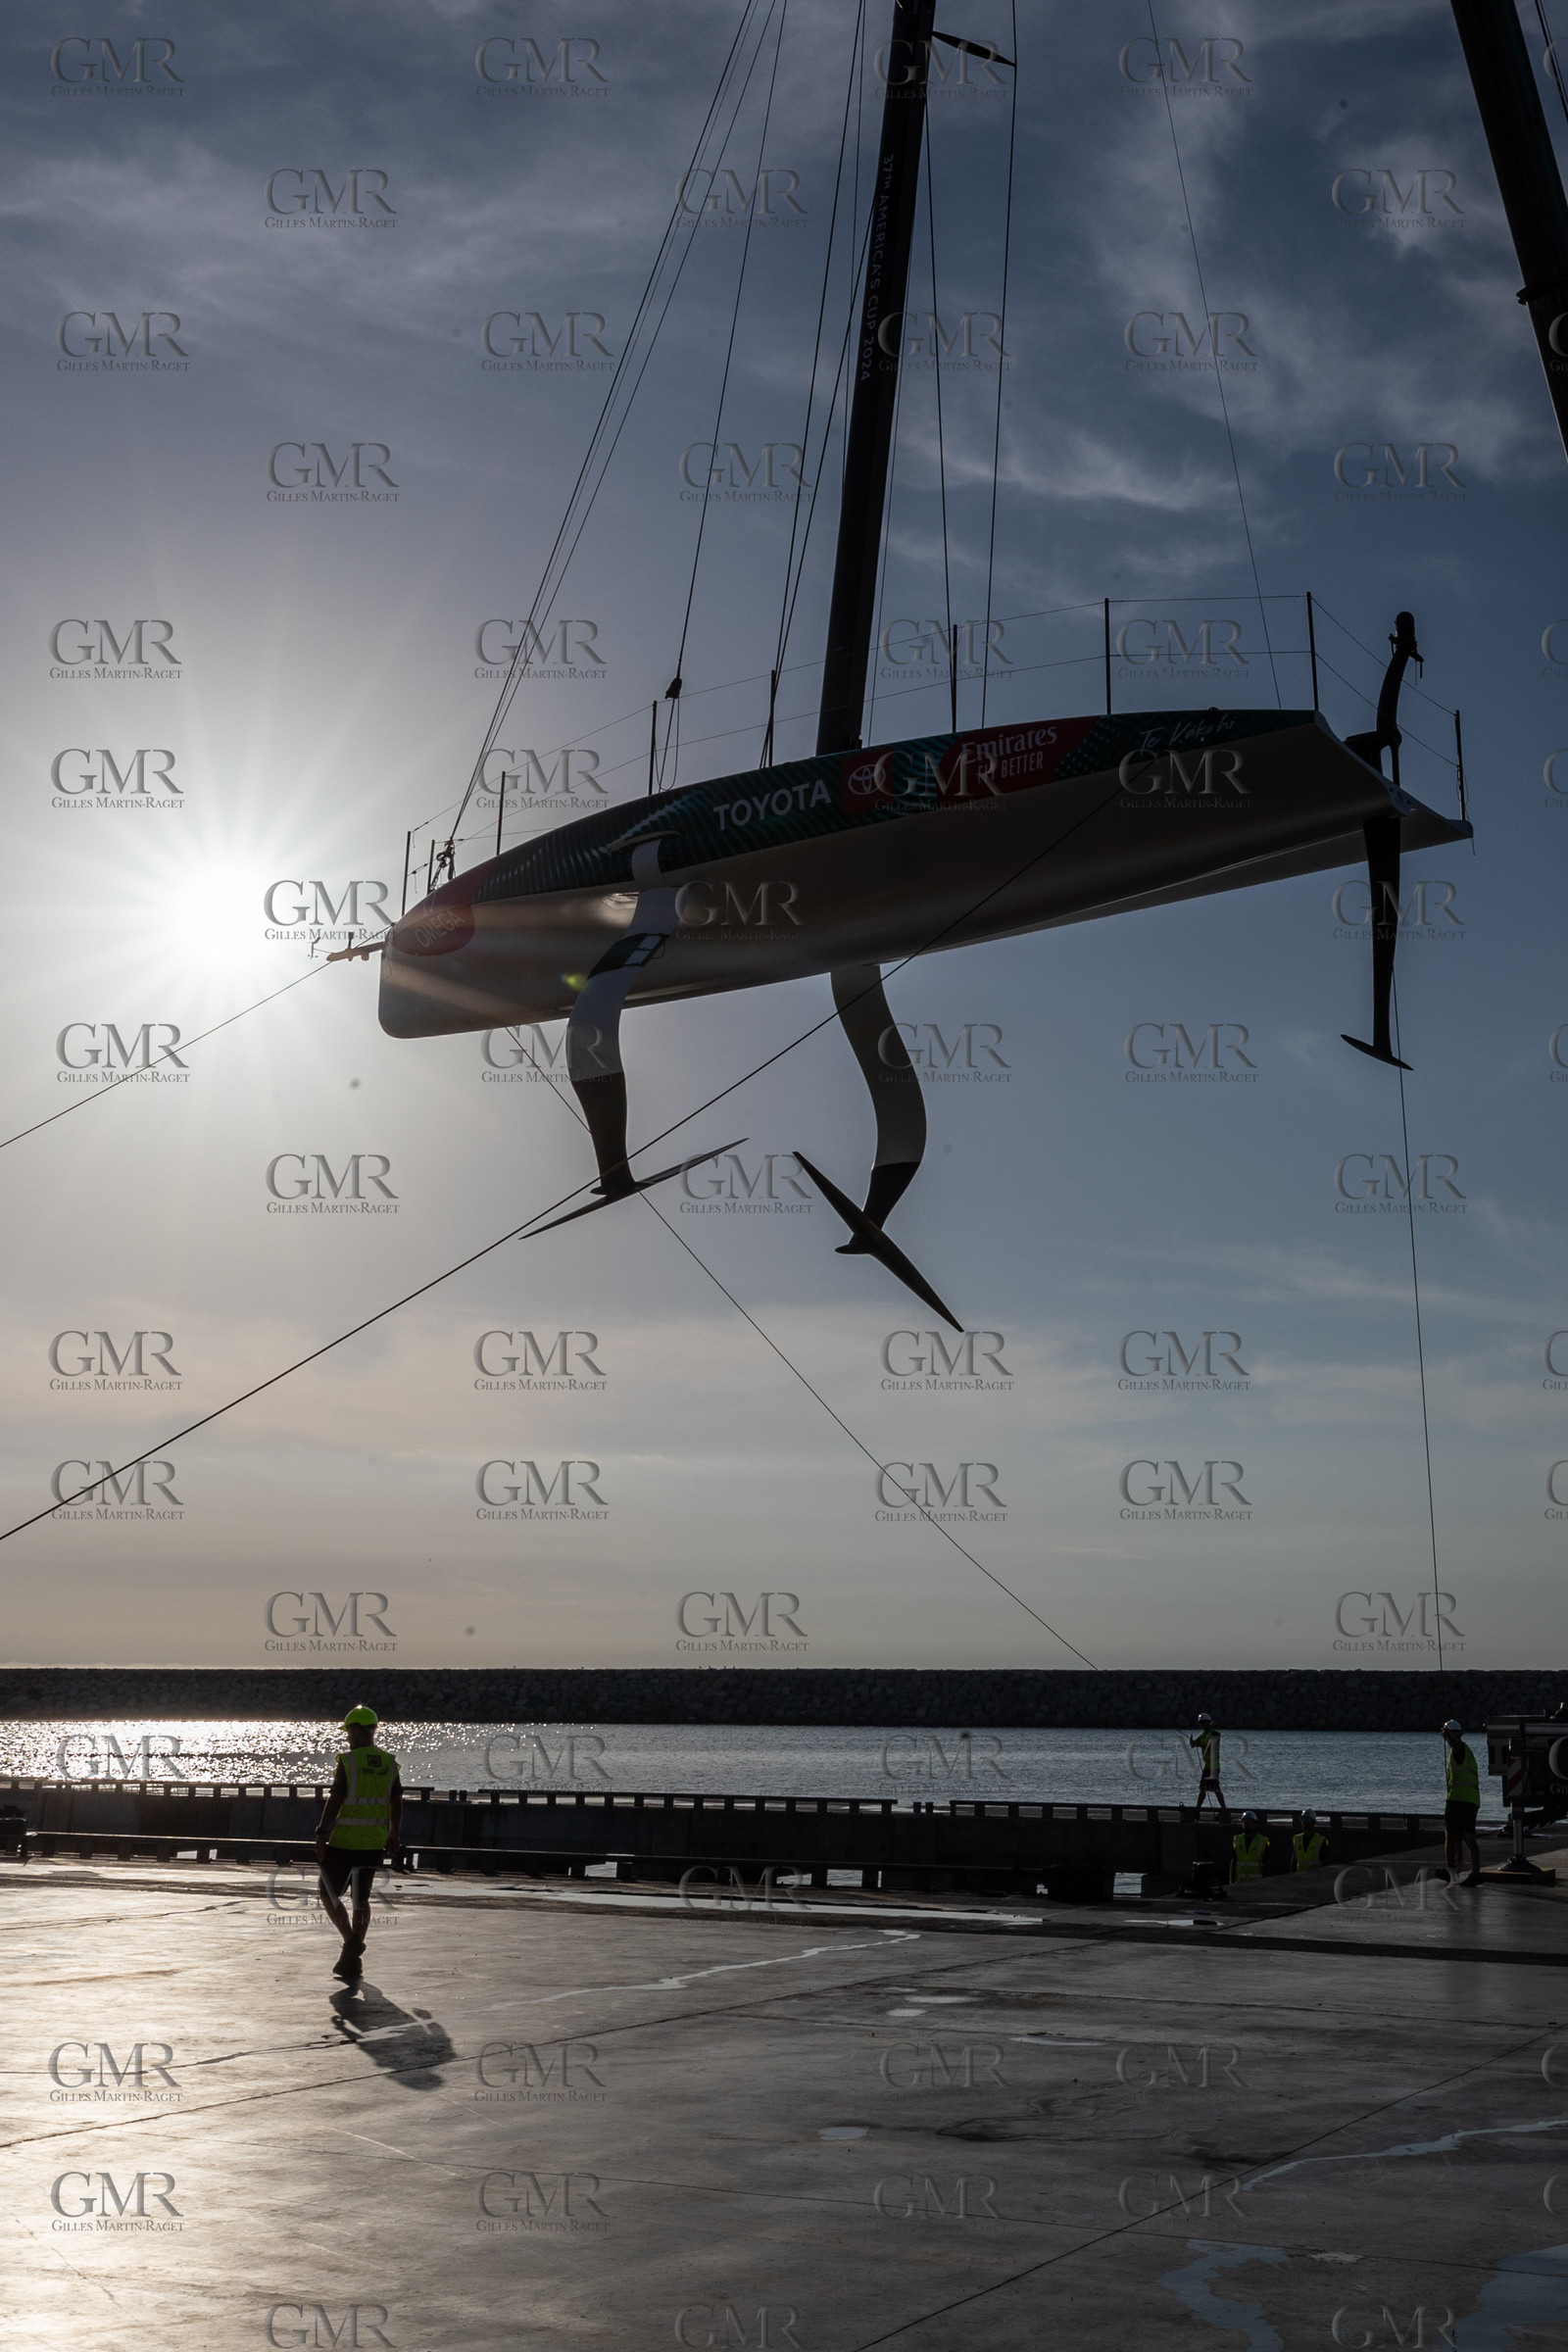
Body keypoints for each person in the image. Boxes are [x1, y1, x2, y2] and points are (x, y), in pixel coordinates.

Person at [316, 1706, 402, 1981]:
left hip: (343, 1841)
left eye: (348, 1732)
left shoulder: (348, 1761)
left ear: (355, 1730)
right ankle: (352, 1959)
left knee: (328, 1894)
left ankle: (351, 1943)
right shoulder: (389, 1763)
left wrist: (321, 1833)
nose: (347, 1738)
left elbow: (336, 1799)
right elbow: (397, 1802)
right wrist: (394, 1833)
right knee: (361, 1899)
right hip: (374, 1841)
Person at [1442, 1718, 1482, 1887]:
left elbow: (1455, 1742)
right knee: (1462, 1837)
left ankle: (1463, 1872)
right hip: (1466, 1800)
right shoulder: (1463, 1750)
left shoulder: (1459, 1749)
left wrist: (1446, 1731)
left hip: (1460, 1800)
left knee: (1458, 1837)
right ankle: (1466, 1872)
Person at [1190, 1714, 1228, 1815]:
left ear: (1210, 1722)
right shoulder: (1203, 1735)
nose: (1203, 1725)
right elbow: (1194, 1745)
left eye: (1205, 1723)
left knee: (1212, 1789)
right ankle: (1222, 1810)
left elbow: (1212, 1747)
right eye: (1201, 1723)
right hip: (1207, 1766)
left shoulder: (1215, 1734)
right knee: (1206, 1789)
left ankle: (1223, 1810)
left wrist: (1197, 1744)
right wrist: (1192, 1743)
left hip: (1213, 1766)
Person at [1231, 1811, 1268, 1884]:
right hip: (1240, 1883)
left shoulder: (1262, 1842)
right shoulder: (1238, 1840)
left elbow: (1267, 1866)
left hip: (1257, 1884)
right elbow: (1233, 1863)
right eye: (1244, 1822)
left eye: (1248, 1822)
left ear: (1255, 1824)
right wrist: (1231, 1883)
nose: (1245, 1824)